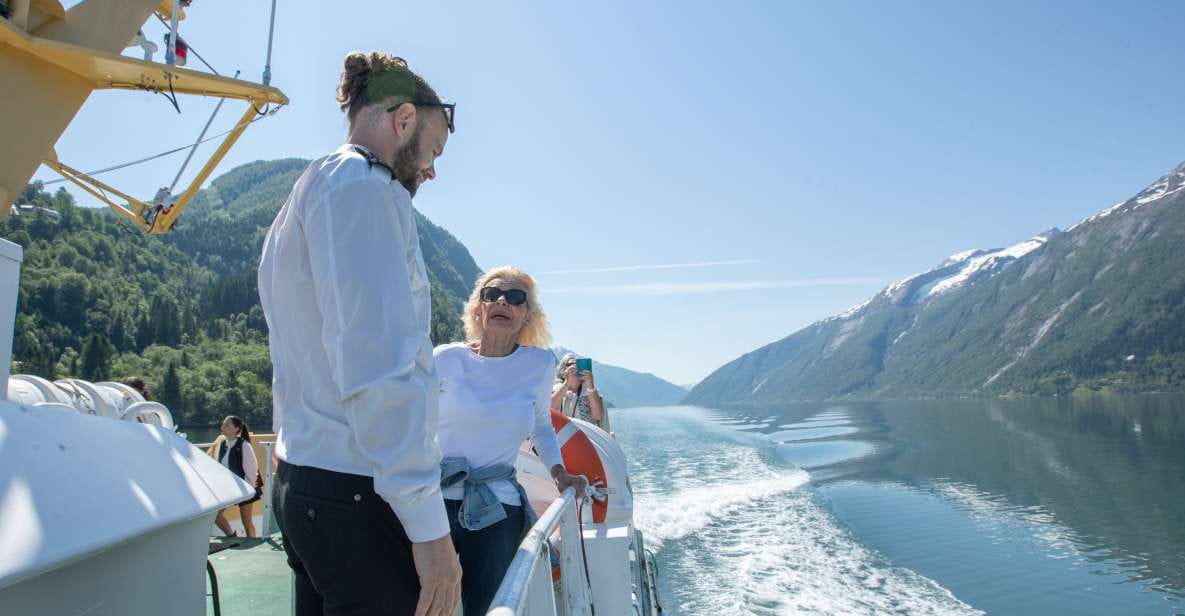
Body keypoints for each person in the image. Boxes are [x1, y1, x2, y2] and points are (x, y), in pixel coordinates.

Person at [258, 51, 460, 616]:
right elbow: (379, 368)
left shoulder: (310, 190)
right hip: (356, 492)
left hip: (306, 482)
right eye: (433, 150)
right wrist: (430, 530)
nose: (431, 171)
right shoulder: (365, 188)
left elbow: (297, 361)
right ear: (403, 120)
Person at [434, 266, 588, 616]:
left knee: (486, 606)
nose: (502, 301)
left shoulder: (538, 364)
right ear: (478, 308)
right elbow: (413, 425)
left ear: (526, 315)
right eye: (491, 294)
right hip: (434, 500)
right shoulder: (445, 358)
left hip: (497, 507)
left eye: (515, 297)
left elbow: (541, 425)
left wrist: (559, 472)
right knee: (422, 601)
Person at [209, 415, 261, 537]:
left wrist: (250, 489)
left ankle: (251, 543)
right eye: (223, 424)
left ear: (236, 429)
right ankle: (231, 536)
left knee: (246, 521)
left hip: (245, 487)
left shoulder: (244, 445)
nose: (223, 427)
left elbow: (252, 468)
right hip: (228, 488)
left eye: (227, 425)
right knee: (216, 515)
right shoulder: (222, 444)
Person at [552, 353, 607, 430]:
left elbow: (597, 416)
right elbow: (547, 409)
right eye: (571, 364)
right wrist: (566, 383)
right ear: (563, 370)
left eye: (578, 365)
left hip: (584, 434)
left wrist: (590, 385)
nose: (575, 367)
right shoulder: (554, 390)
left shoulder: (591, 391)